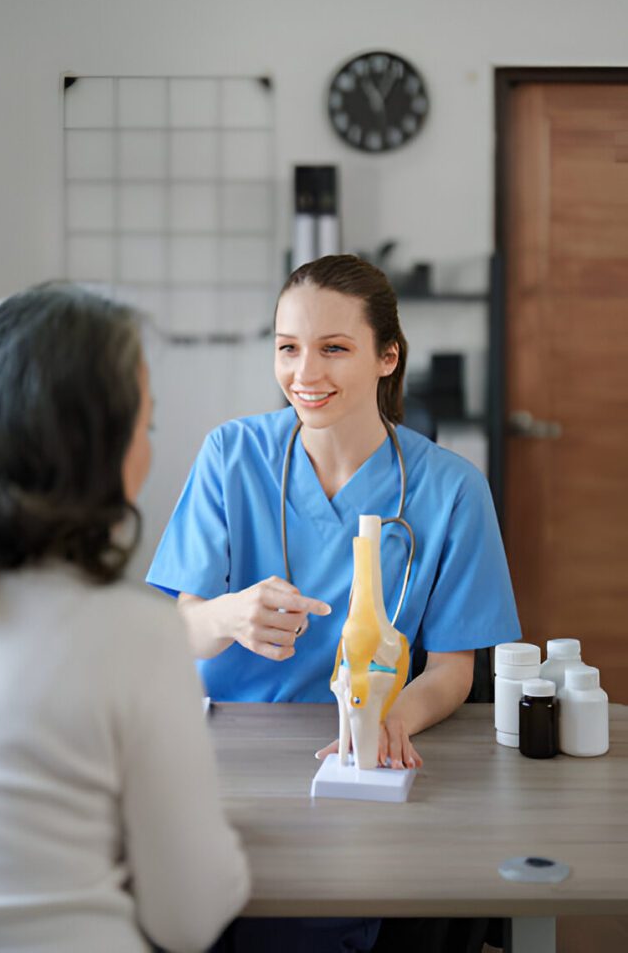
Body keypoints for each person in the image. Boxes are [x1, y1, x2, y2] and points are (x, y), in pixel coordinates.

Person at [147, 254, 521, 953]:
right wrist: (228, 616)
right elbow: (172, 631)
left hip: (357, 763)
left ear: (387, 357)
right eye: (287, 349)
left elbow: (451, 669)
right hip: (225, 761)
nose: (304, 375)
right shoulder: (231, 456)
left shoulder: (451, 491)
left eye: (333, 349)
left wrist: (388, 722)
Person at [0, 284, 249, 953]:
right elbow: (189, 918)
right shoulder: (134, 635)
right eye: (144, 425)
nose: (147, 446)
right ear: (94, 452)